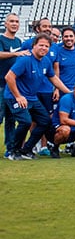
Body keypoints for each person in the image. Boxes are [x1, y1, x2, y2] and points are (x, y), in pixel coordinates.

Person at [4, 34, 70, 160]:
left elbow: (53, 78)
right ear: (34, 45)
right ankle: (13, 151)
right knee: (25, 122)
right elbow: (9, 77)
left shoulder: (46, 61)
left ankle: (26, 149)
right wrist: (18, 96)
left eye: (46, 46)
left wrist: (68, 92)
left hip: (32, 98)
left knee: (45, 121)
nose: (44, 48)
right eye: (41, 45)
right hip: (14, 96)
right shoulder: (25, 59)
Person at [0, 13, 27, 158]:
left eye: (17, 21)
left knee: (11, 119)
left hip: (12, 87)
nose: (14, 24)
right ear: (5, 24)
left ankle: (10, 148)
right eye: (11, 21)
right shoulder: (1, 39)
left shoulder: (18, 41)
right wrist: (16, 54)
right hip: (0, 84)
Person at [53, 26, 75, 93]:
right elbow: (55, 71)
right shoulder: (57, 51)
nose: (69, 38)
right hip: (62, 89)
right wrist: (56, 88)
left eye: (71, 36)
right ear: (62, 38)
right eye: (66, 36)